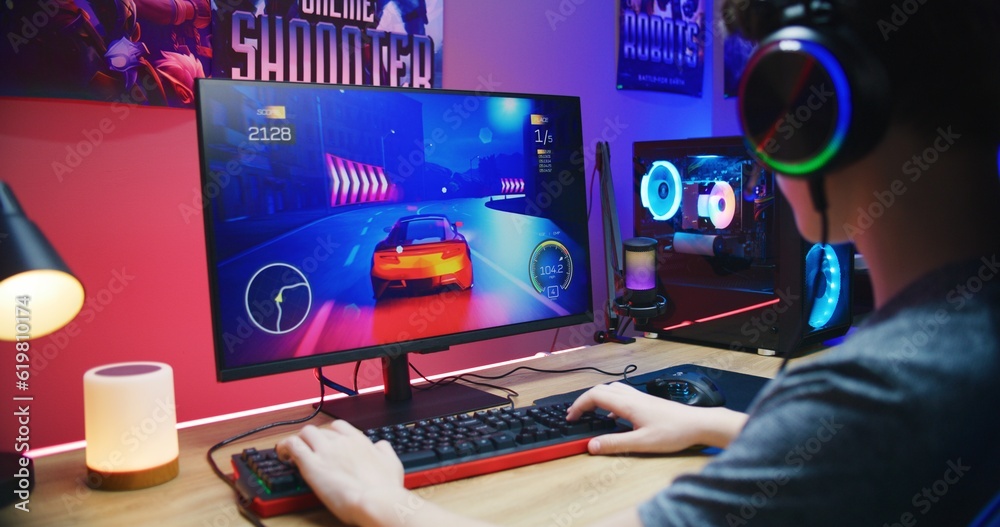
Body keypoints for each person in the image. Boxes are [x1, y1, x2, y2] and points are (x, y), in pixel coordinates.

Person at [277, 1, 1000, 524]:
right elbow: (863, 453)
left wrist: (384, 501)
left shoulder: (888, 390)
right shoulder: (952, 354)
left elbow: (869, 428)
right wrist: (720, 423)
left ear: (818, 115)